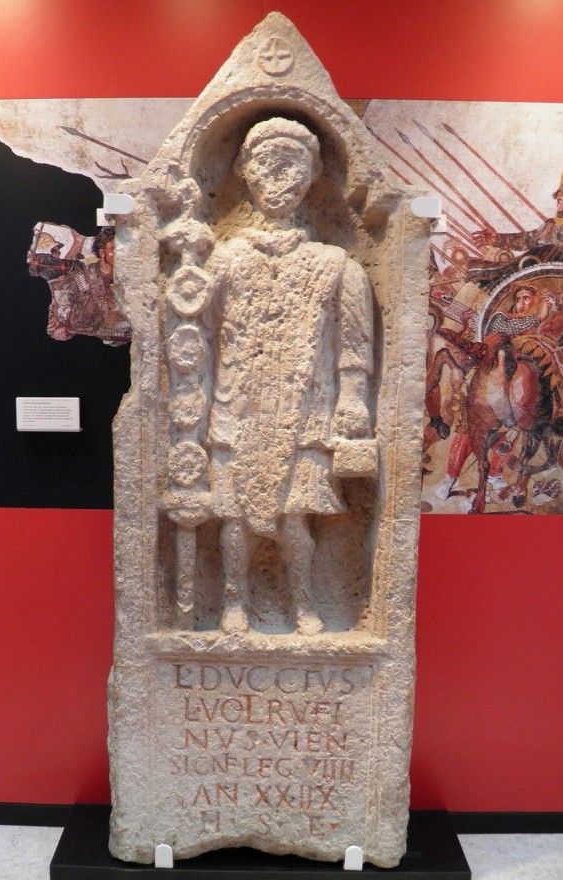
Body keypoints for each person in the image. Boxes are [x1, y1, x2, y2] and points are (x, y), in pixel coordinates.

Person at [206, 118, 373, 635]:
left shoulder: (336, 264)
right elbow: (194, 333)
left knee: (296, 519)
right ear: (247, 174)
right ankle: (233, 601)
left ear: (310, 177)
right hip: (238, 405)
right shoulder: (225, 259)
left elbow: (354, 342)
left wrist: (354, 399)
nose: (278, 180)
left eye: (292, 168)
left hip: (307, 407)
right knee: (233, 517)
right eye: (266, 167)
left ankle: (304, 603)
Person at [472, 166, 563, 257]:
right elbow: (526, 240)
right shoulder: (552, 227)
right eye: (559, 201)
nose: (561, 207)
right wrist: (498, 239)